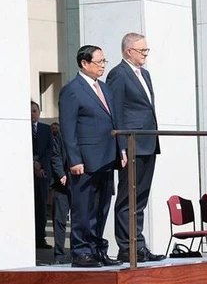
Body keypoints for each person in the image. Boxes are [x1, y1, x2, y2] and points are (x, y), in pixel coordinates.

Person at [59, 45, 126, 267]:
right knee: (83, 207)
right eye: (99, 62)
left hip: (107, 158)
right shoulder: (72, 89)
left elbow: (115, 121)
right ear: (84, 63)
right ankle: (81, 251)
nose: (103, 66)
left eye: (104, 62)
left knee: (101, 207)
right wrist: (75, 159)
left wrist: (121, 149)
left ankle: (98, 249)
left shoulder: (105, 88)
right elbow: (68, 129)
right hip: (85, 161)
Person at [106, 32, 165, 262]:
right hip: (131, 144)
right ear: (129, 51)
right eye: (142, 51)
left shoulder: (145, 75)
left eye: (147, 50)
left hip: (148, 142)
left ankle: (138, 244)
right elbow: (117, 112)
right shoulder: (118, 75)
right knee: (127, 197)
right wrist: (120, 146)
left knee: (140, 197)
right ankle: (126, 246)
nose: (146, 55)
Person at [31, 101, 53, 249]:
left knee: (41, 206)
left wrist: (40, 165)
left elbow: (49, 150)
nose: (32, 114)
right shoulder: (20, 129)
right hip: (28, 171)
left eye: (34, 111)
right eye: (30, 111)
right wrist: (33, 164)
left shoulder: (46, 129)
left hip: (42, 173)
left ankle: (40, 238)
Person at [50, 131, 71, 264]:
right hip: (62, 183)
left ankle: (76, 252)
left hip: (80, 184)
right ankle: (59, 255)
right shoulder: (60, 136)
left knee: (79, 221)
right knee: (59, 220)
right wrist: (61, 174)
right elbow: (55, 156)